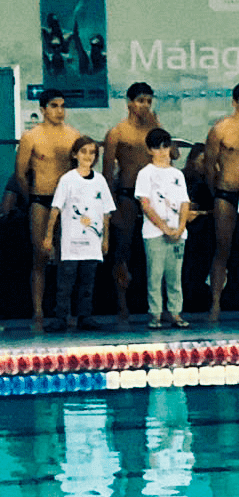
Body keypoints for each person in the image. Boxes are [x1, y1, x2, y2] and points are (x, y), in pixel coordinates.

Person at [16, 89, 80, 329]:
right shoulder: (31, 137)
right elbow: (21, 173)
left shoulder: (73, 136)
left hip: (67, 203)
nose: (60, 111)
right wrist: (30, 199)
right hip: (40, 200)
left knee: (68, 259)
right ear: (43, 109)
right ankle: (39, 310)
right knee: (40, 256)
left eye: (62, 106)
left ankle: (65, 310)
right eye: (54, 106)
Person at [202, 81, 239, 322]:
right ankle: (215, 304)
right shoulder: (221, 129)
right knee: (222, 249)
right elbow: (208, 165)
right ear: (234, 102)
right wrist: (217, 190)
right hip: (226, 194)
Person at [43, 135, 112, 332]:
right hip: (72, 241)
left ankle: (85, 316)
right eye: (84, 151)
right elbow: (55, 209)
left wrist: (105, 238)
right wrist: (49, 236)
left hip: (92, 240)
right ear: (75, 154)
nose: (88, 156)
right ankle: (61, 317)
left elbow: (106, 212)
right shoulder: (67, 179)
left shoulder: (100, 181)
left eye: (92, 152)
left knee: (87, 281)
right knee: (65, 280)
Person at [102, 81, 158, 322]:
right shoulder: (117, 132)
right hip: (126, 193)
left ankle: (158, 306)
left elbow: (174, 154)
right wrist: (110, 206)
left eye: (148, 101)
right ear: (129, 103)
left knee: (156, 251)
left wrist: (157, 126)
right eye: (140, 101)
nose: (144, 106)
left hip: (153, 195)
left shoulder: (154, 130)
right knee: (123, 251)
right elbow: (106, 173)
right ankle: (122, 304)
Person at [135, 127, 190, 330]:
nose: (162, 151)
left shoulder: (177, 174)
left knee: (175, 276)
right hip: (154, 233)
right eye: (157, 148)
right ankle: (155, 313)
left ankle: (175, 311)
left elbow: (185, 202)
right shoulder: (145, 174)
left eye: (165, 146)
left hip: (178, 233)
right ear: (150, 150)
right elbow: (145, 203)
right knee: (155, 274)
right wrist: (163, 227)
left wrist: (180, 227)